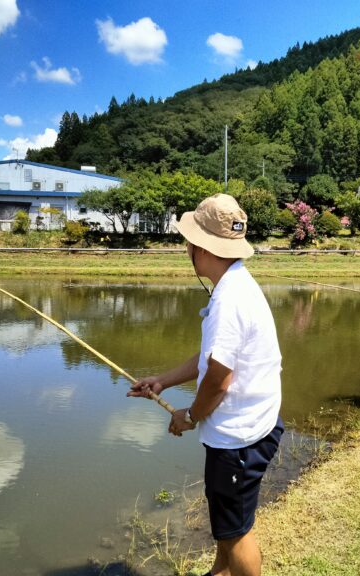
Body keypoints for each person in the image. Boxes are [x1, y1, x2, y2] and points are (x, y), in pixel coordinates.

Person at [127, 193, 283, 576]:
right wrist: (162, 381)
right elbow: (211, 359)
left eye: (189, 240)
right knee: (228, 522)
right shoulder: (237, 284)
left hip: (240, 438)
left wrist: (189, 416)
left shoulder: (229, 300)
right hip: (255, 424)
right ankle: (219, 572)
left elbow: (218, 380)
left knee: (236, 533)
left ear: (198, 246)